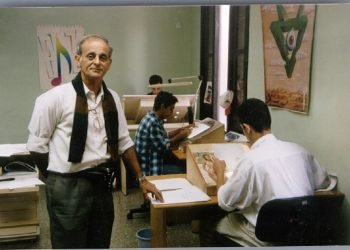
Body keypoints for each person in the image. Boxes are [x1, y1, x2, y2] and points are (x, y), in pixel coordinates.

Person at [26, 34, 163, 249]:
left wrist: (142, 179)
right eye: (91, 56)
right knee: (69, 244)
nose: (97, 61)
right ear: (78, 58)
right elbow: (36, 146)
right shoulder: (55, 98)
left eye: (103, 57)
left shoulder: (112, 98)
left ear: (109, 63)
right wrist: (55, 176)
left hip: (101, 186)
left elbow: (124, 142)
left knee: (99, 243)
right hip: (68, 187)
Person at [199, 98, 331, 247]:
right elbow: (325, 182)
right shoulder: (299, 151)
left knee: (210, 224)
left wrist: (220, 172)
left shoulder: (250, 161)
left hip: (267, 236)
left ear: (246, 128)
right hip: (300, 231)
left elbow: (225, 203)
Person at [135, 91, 192, 176]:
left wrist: (179, 130)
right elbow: (164, 146)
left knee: (180, 162)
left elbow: (164, 135)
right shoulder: (153, 123)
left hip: (152, 161)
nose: (172, 112)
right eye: (171, 108)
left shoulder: (152, 117)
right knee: (186, 168)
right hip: (152, 169)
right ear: (162, 107)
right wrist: (181, 136)